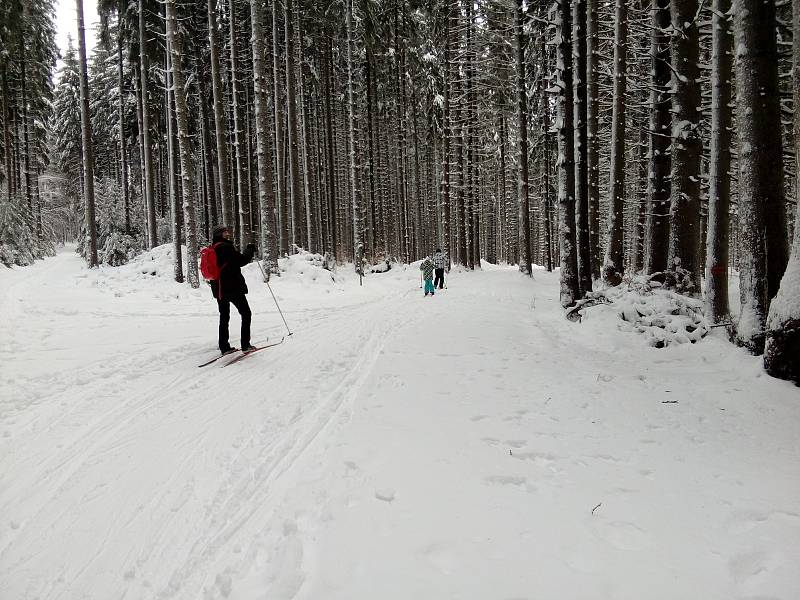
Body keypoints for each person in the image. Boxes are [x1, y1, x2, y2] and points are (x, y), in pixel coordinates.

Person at [209, 225, 256, 354]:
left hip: (218, 288)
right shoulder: (225, 247)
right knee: (246, 314)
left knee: (224, 316)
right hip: (232, 287)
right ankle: (245, 345)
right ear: (219, 234)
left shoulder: (213, 248)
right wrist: (250, 250)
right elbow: (241, 260)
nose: (228, 234)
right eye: (225, 232)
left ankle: (224, 347)